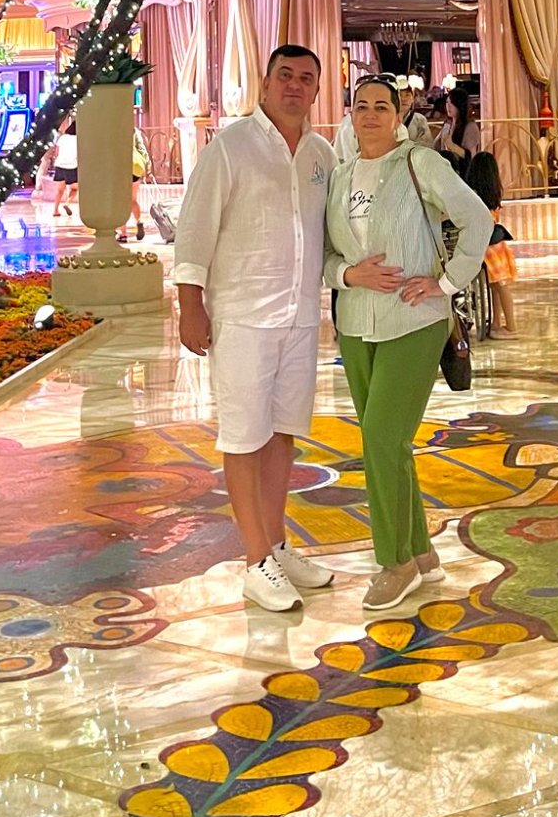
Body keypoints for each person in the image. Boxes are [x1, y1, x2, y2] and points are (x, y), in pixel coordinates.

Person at [174, 45, 337, 612]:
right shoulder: (231, 147)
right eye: (284, 75)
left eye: (306, 78)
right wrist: (189, 303)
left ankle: (277, 543)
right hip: (242, 314)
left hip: (299, 315)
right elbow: (195, 227)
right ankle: (254, 560)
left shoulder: (322, 155)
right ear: (265, 84)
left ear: (317, 89)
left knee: (283, 433)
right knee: (244, 436)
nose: (295, 86)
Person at [325, 74, 492, 614]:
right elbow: (325, 255)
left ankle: (393, 562)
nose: (370, 115)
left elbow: (477, 219)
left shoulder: (422, 164)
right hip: (355, 322)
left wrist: (445, 283)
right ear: (349, 114)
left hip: (414, 321)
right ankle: (420, 554)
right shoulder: (340, 174)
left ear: (399, 114)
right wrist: (349, 275)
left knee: (379, 436)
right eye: (361, 106)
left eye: (382, 106)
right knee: (388, 443)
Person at [466, 150, 517, 336]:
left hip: (488, 248)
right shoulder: (493, 194)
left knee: (500, 286)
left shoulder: (473, 196)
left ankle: (511, 327)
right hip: (499, 246)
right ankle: (497, 323)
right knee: (496, 286)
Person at [50, 118, 78, 217]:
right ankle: (67, 203)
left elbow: (56, 152)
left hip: (59, 165)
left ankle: (55, 210)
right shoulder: (79, 140)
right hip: (72, 166)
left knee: (59, 190)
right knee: (75, 189)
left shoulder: (63, 138)